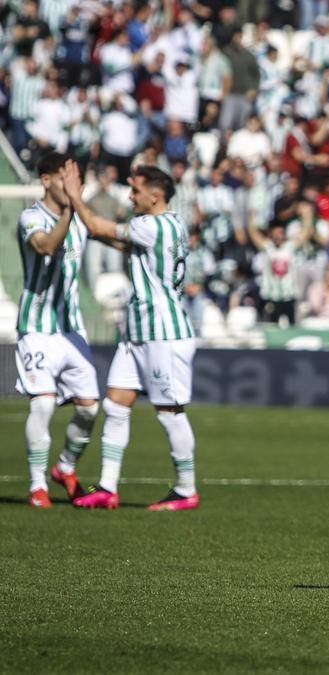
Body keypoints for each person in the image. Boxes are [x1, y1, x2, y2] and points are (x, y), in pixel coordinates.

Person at [63, 162, 199, 511]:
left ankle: (186, 489)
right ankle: (108, 487)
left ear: (156, 196)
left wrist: (76, 198)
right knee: (116, 404)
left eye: (136, 190)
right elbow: (111, 238)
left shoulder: (150, 226)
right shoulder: (173, 225)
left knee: (170, 412)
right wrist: (89, 224)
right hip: (139, 331)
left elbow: (96, 226)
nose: (129, 195)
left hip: (163, 333)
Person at [15, 152, 100, 508]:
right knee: (44, 405)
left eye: (76, 178)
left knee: (90, 410)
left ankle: (65, 467)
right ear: (47, 180)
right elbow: (46, 246)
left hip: (72, 330)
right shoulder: (30, 217)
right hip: (37, 329)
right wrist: (70, 209)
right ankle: (37, 486)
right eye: (65, 178)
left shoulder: (80, 219)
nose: (72, 186)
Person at [247, 203, 315, 326]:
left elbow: (305, 233)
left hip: (289, 295)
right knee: (272, 326)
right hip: (272, 296)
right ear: (271, 235)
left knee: (292, 327)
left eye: (281, 233)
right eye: (276, 234)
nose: (278, 237)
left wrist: (307, 216)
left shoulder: (289, 247)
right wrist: (251, 218)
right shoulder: (268, 248)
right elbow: (254, 234)